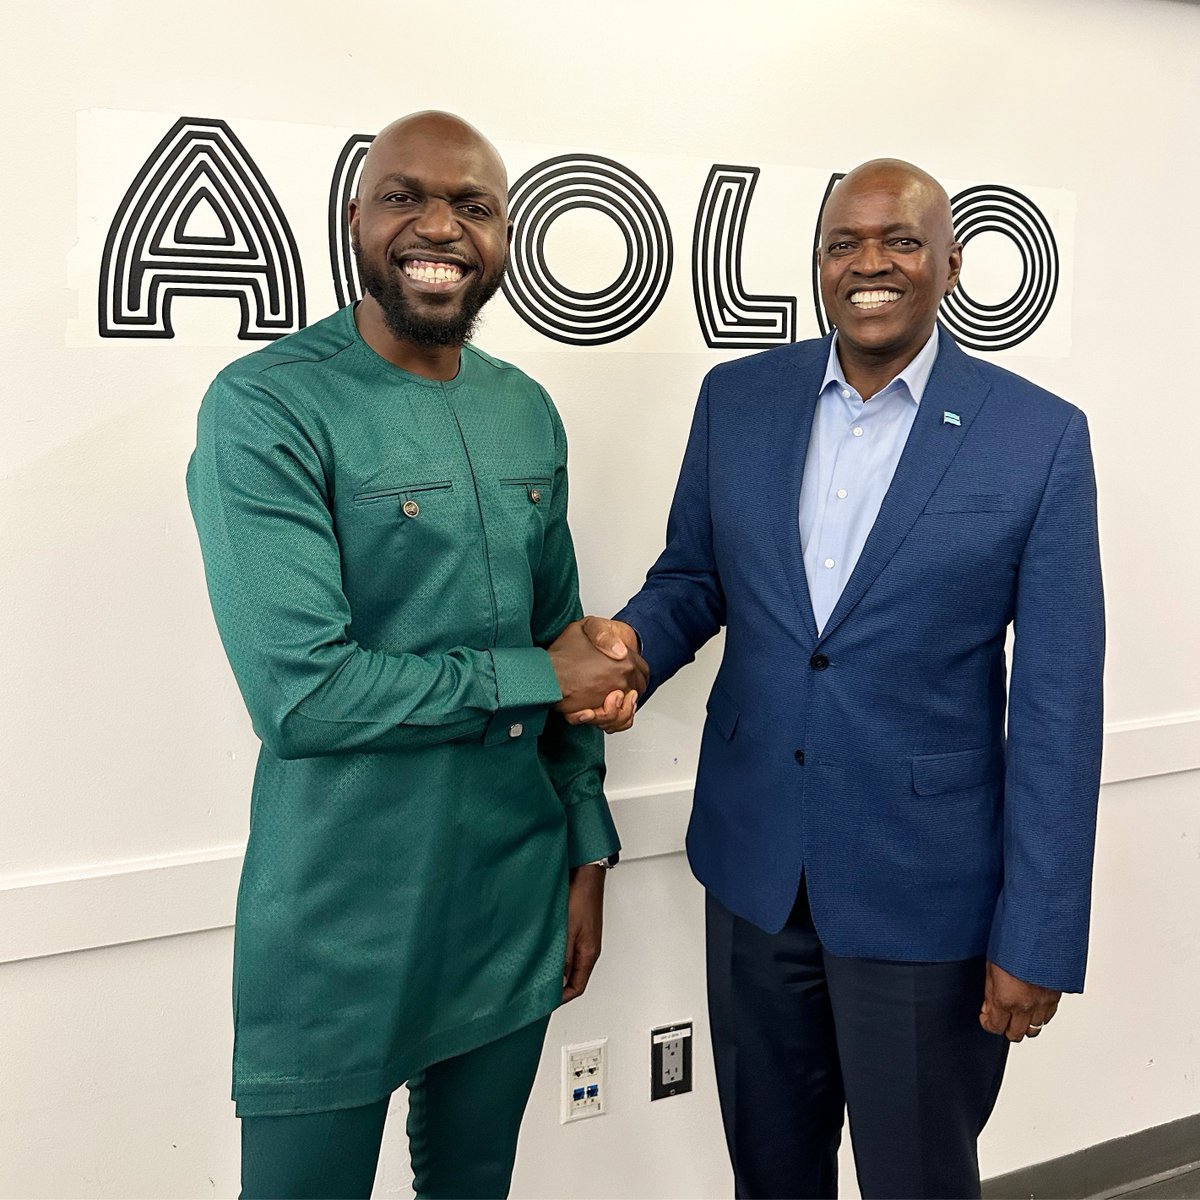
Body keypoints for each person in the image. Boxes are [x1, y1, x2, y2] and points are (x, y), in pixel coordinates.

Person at [572, 159, 1104, 1199]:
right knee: (771, 1173)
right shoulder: (740, 399)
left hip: (924, 894)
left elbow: (1058, 709)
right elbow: (695, 575)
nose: (870, 264)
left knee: (915, 1178)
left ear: (949, 262)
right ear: (818, 264)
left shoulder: (1037, 439)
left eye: (900, 242)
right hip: (756, 869)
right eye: (843, 244)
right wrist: (632, 644)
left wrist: (1037, 932)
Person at [186, 110, 647, 1200]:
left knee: (473, 1184)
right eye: (404, 196)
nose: (438, 225)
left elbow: (565, 640)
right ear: (356, 217)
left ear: (503, 236)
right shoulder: (267, 404)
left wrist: (584, 851)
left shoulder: (524, 410)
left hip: (509, 892)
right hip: (343, 912)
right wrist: (545, 676)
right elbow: (304, 696)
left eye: (473, 205)